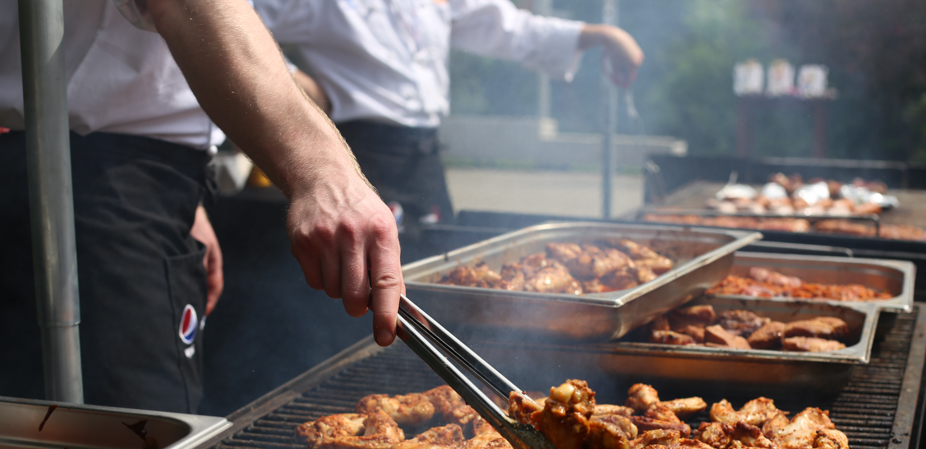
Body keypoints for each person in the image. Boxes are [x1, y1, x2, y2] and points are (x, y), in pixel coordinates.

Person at [0, 0, 402, 413]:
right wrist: (326, 175)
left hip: (113, 169)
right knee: (136, 436)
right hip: (94, 186)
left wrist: (185, 200)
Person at [253, 0, 644, 227]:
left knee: (434, 285)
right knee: (366, 291)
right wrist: (298, 87)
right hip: (358, 153)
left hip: (425, 159)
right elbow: (235, 25)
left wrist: (599, 36)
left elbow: (508, 28)